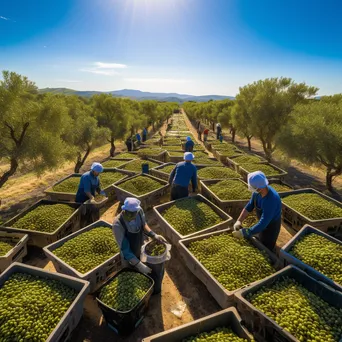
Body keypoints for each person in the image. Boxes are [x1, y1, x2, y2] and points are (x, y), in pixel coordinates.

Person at [113, 198, 166, 292]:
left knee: (143, 277)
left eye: (133, 214)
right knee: (131, 277)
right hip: (128, 254)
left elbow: (144, 224)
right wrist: (138, 264)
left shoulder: (139, 211)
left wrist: (153, 235)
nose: (131, 216)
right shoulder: (118, 224)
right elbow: (125, 249)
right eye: (128, 213)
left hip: (140, 246)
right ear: (123, 210)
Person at [232, 171, 282, 251]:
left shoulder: (271, 200)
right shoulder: (257, 192)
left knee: (267, 246)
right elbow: (249, 206)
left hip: (271, 226)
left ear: (259, 188)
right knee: (261, 237)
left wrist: (244, 233)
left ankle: (272, 251)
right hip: (263, 222)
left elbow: (263, 223)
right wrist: (239, 220)